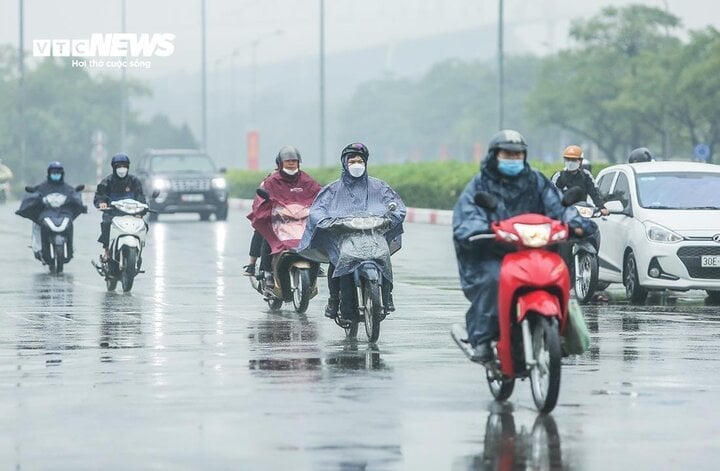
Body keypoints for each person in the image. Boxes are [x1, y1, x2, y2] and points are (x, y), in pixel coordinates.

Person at [452, 130, 596, 362]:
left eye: (517, 154)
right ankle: (483, 340)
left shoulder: (536, 181)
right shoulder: (480, 184)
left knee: (558, 273)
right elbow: (468, 215)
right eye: (507, 154)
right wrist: (480, 230)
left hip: (536, 249)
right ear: (494, 155)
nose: (513, 159)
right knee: (493, 280)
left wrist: (576, 223)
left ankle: (560, 331)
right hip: (494, 251)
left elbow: (559, 207)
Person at [298, 142, 406, 319]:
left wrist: (391, 217)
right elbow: (318, 209)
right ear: (344, 163)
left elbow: (396, 206)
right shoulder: (332, 189)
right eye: (352, 161)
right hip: (343, 236)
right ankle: (334, 300)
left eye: (360, 161)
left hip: (373, 234)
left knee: (384, 256)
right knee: (337, 259)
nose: (357, 165)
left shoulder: (379, 187)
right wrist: (327, 222)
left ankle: (388, 295)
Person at [247, 145, 322, 287]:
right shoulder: (271, 181)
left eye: (294, 161)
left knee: (316, 233)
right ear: (280, 163)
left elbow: (318, 192)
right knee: (268, 236)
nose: (291, 163)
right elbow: (261, 199)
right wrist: (268, 211)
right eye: (288, 161)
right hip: (279, 220)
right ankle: (267, 271)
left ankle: (316, 261)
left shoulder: (306, 180)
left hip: (300, 221)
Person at [17, 161, 86, 261]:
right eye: (53, 172)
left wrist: (74, 198)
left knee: (70, 224)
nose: (56, 174)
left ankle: (71, 249)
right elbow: (34, 192)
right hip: (46, 214)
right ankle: (40, 250)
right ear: (49, 173)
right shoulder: (42, 187)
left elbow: (74, 194)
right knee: (39, 225)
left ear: (62, 173)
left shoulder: (67, 188)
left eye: (58, 172)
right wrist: (37, 197)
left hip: (64, 214)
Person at [93, 153, 146, 262]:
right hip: (113, 213)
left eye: (124, 166)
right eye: (119, 166)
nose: (122, 169)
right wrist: (102, 203)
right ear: (114, 168)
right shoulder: (107, 182)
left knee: (144, 226)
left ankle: (138, 249)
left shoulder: (134, 181)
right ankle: (107, 251)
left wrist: (143, 207)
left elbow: (140, 197)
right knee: (106, 224)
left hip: (131, 214)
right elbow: (99, 196)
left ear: (128, 167)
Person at [551, 145, 608, 216]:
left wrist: (602, 207)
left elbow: (595, 193)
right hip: (562, 213)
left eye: (574, 160)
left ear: (580, 161)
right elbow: (551, 194)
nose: (570, 162)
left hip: (582, 213)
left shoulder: (586, 175)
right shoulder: (558, 176)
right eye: (568, 159)